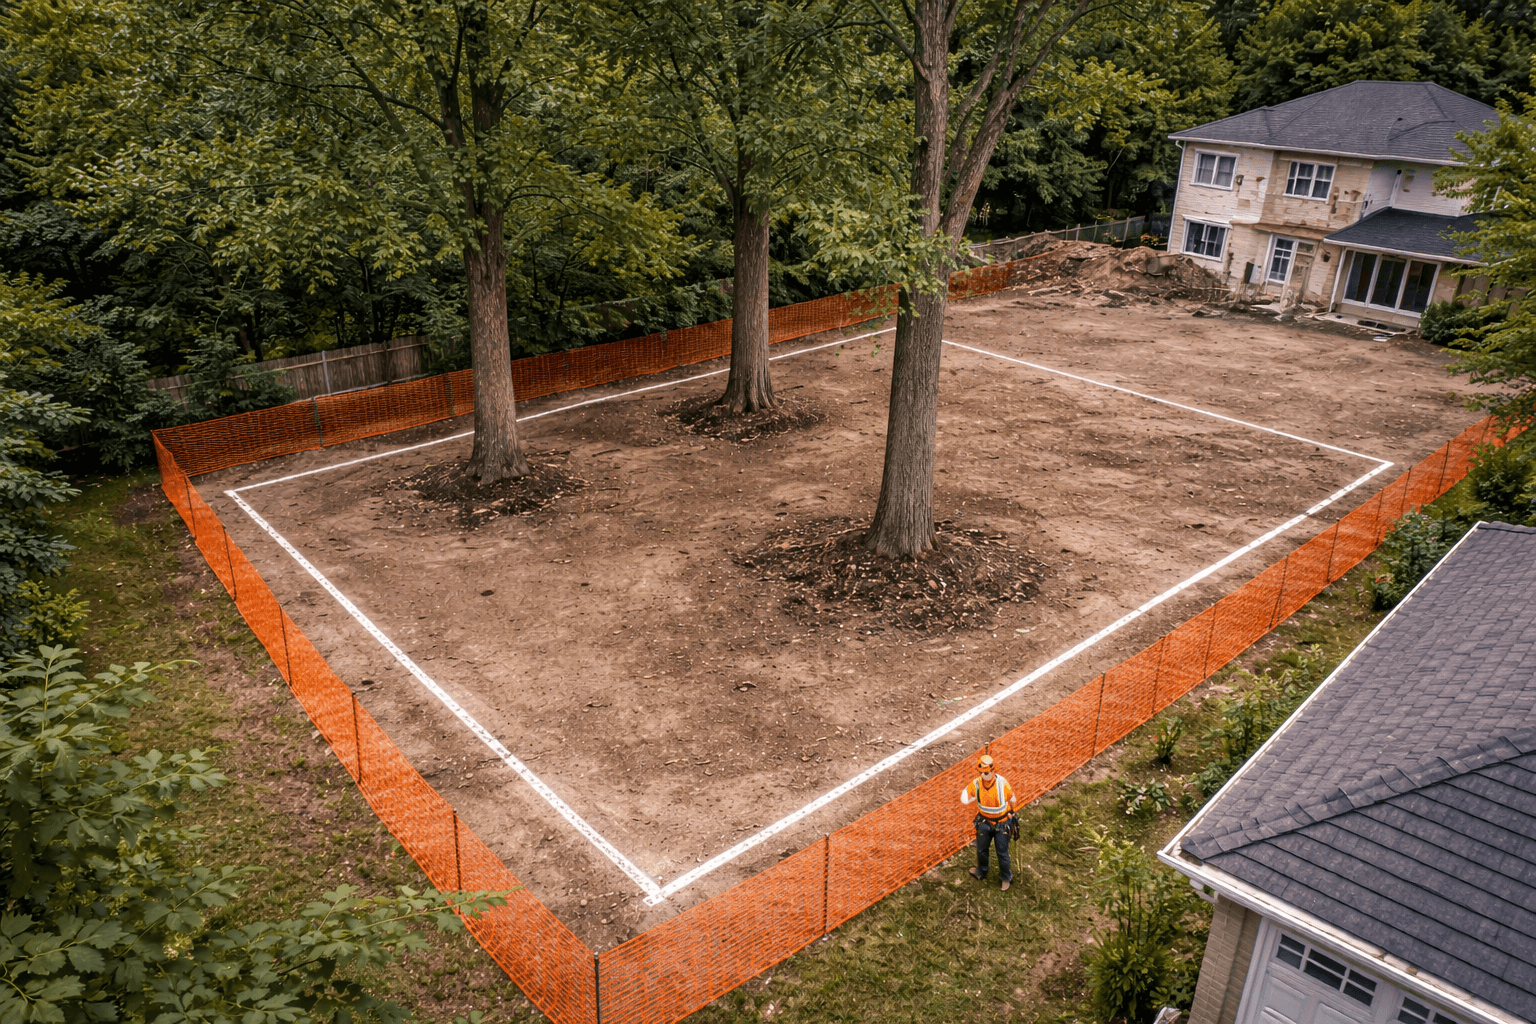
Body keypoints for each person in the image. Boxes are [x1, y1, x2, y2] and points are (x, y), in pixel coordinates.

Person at [960, 754, 1017, 890]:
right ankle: (981, 871)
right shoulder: (976, 784)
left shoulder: (1002, 784)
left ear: (993, 770)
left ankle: (1006, 877)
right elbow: (965, 796)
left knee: (1002, 852)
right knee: (981, 849)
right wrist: (967, 797)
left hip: (1002, 824)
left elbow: (1012, 799)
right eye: (982, 773)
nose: (985, 775)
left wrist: (1012, 815)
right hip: (984, 823)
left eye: (986, 772)